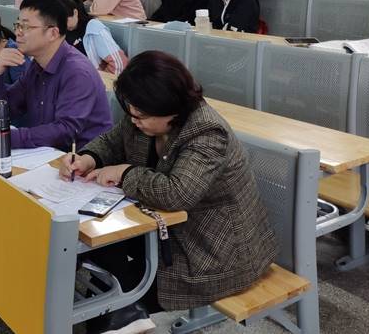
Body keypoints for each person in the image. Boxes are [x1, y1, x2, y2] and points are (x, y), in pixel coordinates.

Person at [60, 51, 277, 328]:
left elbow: (177, 193)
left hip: (211, 250)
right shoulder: (143, 116)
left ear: (170, 107)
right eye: (131, 113)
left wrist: (124, 172)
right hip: (165, 228)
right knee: (96, 249)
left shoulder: (207, 132)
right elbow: (112, 141)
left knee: (112, 283)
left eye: (140, 115)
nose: (133, 120)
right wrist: (88, 158)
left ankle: (121, 313)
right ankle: (120, 314)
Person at [0, 0, 112, 151]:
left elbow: (65, 131)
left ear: (53, 33)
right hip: (45, 153)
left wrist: (4, 138)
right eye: (18, 25)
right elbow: (7, 109)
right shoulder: (36, 65)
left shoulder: (77, 72)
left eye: (26, 27)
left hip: (79, 159)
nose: (18, 32)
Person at [58, 0, 128, 75]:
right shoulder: (59, 32)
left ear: (75, 13)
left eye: (64, 20)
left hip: (89, 79)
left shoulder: (93, 29)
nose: (61, 25)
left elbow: (119, 64)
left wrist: (97, 80)